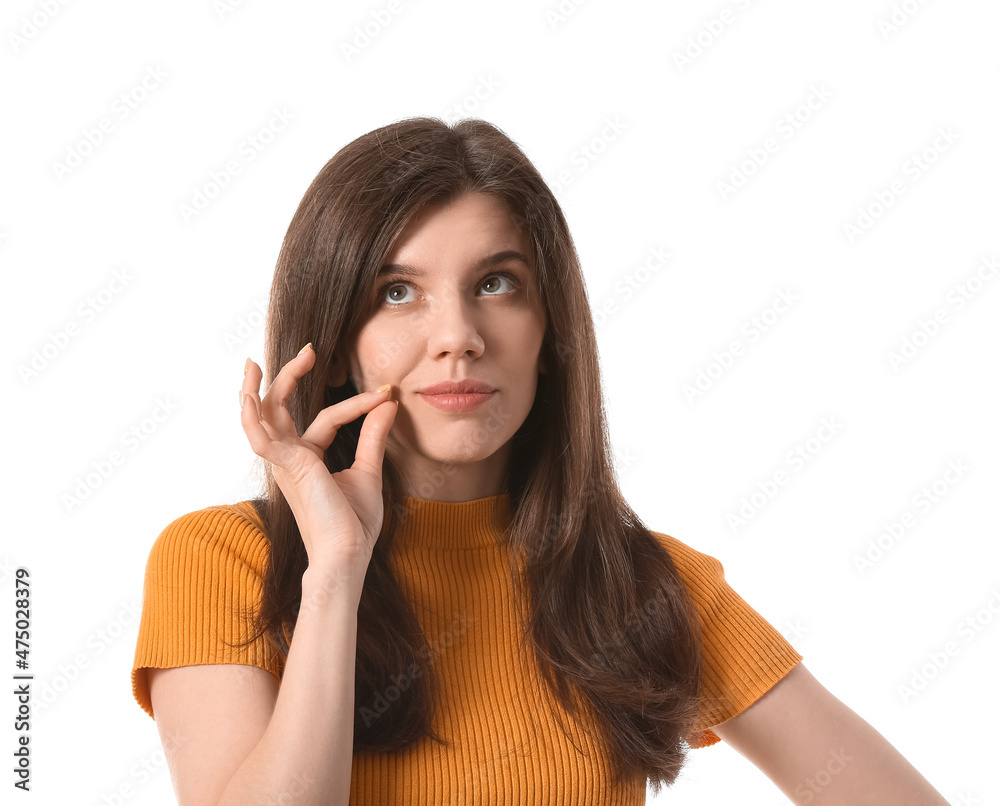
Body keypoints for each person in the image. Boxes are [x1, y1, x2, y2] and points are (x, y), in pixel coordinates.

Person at [131, 117, 948, 805]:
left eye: (496, 284)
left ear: (550, 331)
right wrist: (336, 573)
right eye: (397, 292)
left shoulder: (646, 586)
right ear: (338, 342)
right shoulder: (222, 561)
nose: (458, 336)